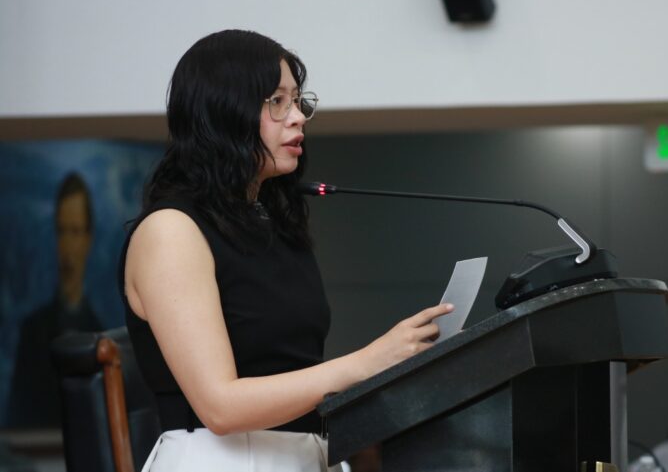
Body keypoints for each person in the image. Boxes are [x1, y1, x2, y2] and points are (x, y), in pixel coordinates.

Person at [120, 29, 453, 472]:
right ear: (225, 112)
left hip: (304, 455)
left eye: (297, 101)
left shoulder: (271, 223)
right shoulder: (171, 231)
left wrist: (393, 367)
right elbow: (220, 408)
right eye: (277, 101)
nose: (297, 117)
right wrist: (368, 361)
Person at [8, 172, 103, 427]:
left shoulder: (102, 335)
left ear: (88, 239)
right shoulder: (32, 331)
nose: (67, 246)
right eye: (62, 231)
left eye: (75, 231)